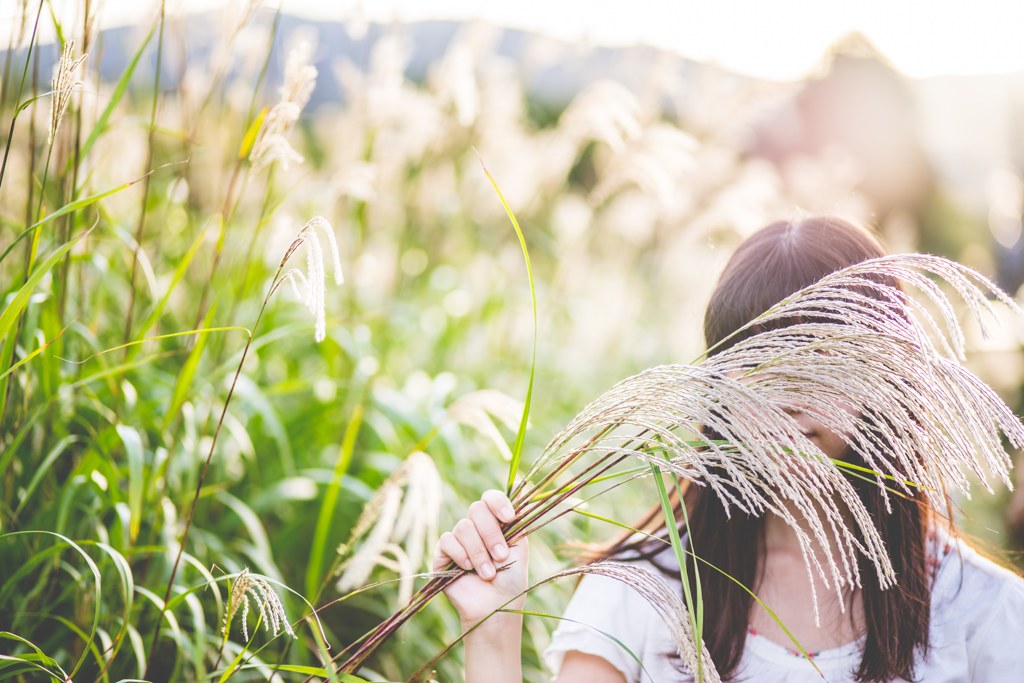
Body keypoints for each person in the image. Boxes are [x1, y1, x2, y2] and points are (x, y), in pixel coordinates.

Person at [433, 216, 1024, 682]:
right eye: (758, 363)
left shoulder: (981, 611)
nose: (784, 396)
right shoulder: (641, 592)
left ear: (883, 372)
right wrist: (493, 628)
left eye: (820, 359)